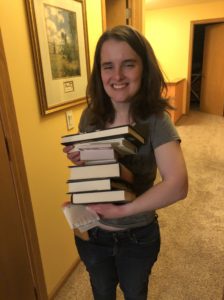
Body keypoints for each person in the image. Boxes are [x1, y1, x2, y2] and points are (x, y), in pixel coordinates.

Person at [63, 25, 188, 300]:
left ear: (144, 67)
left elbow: (177, 185)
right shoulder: (91, 115)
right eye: (108, 66)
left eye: (128, 64)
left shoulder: (157, 121)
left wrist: (123, 211)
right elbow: (96, 173)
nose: (117, 76)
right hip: (92, 232)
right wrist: (83, 159)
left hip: (137, 237)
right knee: (101, 291)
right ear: (100, 72)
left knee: (135, 293)